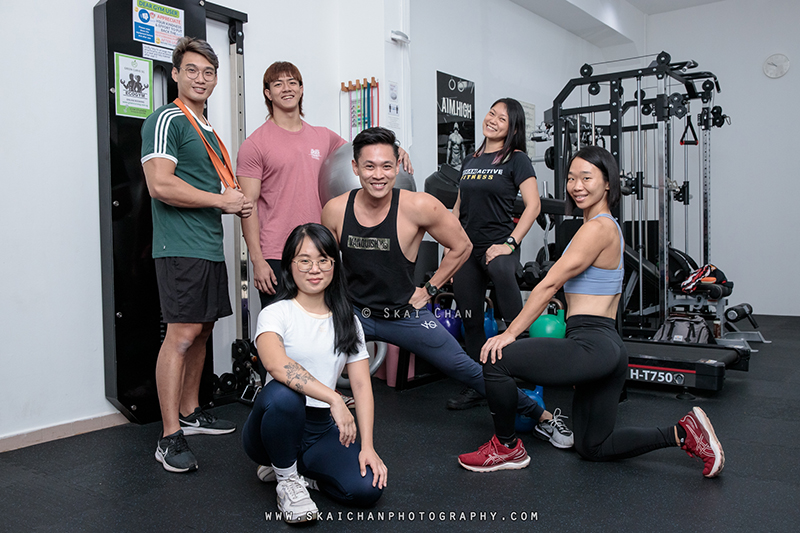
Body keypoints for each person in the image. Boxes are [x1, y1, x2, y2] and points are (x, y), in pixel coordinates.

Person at [458, 146, 724, 478]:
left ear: (608, 183)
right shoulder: (603, 226)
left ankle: (505, 448)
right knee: (593, 446)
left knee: (495, 358)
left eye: (587, 177)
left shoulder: (596, 228)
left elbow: (547, 285)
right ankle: (684, 433)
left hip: (591, 346)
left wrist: (510, 333)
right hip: (607, 348)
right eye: (571, 178)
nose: (576, 186)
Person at [322, 127, 572, 448]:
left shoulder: (419, 206)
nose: (378, 175)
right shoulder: (335, 210)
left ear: (397, 167)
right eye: (369, 166)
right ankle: (289, 447)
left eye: (386, 166)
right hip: (354, 313)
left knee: (469, 370)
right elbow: (325, 263)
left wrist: (429, 288)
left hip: (404, 315)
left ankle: (544, 417)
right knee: (305, 358)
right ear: (355, 167)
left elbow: (462, 246)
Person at [141, 37, 252, 473]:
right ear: (176, 74)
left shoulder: (207, 130)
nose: (201, 79)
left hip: (206, 247)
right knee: (181, 335)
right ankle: (169, 437)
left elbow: (214, 189)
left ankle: (190, 412)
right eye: (192, 70)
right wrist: (219, 200)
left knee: (202, 331)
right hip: (179, 247)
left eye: (208, 72)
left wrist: (232, 199)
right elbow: (160, 185)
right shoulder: (167, 119)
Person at [236, 61, 412, 309]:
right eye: (278, 84)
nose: (286, 89)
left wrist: (395, 149)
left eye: (292, 82)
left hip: (321, 249)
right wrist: (257, 260)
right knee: (280, 332)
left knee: (321, 327)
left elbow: (365, 153)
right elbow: (248, 205)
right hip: (277, 253)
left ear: (301, 89)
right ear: (268, 93)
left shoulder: (324, 137)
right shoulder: (254, 144)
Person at [242, 223, 386, 524]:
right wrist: (334, 398)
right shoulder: (276, 313)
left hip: (320, 430)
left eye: (323, 260)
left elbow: (361, 385)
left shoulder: (348, 320)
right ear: (289, 266)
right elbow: (275, 363)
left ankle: (298, 474)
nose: (314, 268)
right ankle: (286, 478)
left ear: (334, 264)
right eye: (304, 260)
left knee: (367, 489)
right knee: (285, 394)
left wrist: (369, 447)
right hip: (271, 424)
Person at [450, 98, 542, 420]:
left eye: (501, 118)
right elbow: (457, 209)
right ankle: (479, 385)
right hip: (467, 247)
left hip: (498, 245)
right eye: (491, 113)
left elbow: (533, 205)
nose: (493, 120)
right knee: (471, 321)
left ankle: (528, 376)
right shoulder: (471, 159)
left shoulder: (517, 160)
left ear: (512, 127)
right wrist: (451, 245)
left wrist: (510, 243)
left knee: (508, 294)